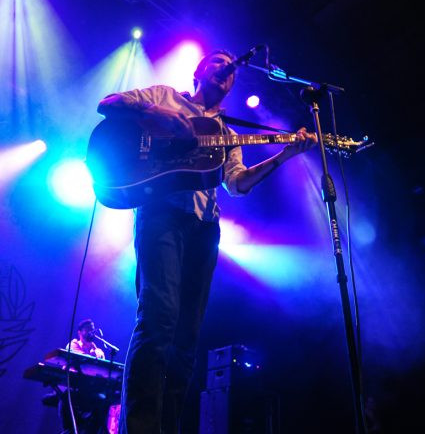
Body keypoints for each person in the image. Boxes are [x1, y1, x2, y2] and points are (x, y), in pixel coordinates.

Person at [97, 49, 317, 434]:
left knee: (186, 337)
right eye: (218, 62)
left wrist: (284, 155)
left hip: (203, 228)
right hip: (161, 215)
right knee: (158, 318)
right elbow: (108, 104)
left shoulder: (227, 134)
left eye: (230, 69)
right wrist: (166, 119)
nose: (226, 70)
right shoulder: (164, 95)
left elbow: (238, 184)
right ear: (199, 71)